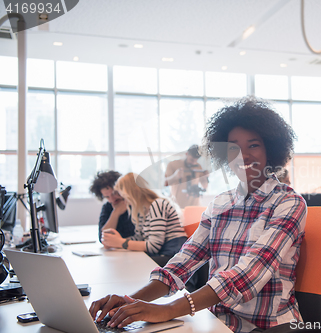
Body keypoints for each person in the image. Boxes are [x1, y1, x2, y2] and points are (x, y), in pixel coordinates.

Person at [90, 96, 307, 333]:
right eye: (233, 147)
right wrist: (130, 301)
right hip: (217, 322)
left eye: (253, 145)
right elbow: (183, 263)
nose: (242, 156)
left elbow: (247, 275)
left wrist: (168, 309)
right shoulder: (220, 203)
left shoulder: (288, 203)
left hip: (267, 326)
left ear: (271, 149)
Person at [101, 172, 187, 262]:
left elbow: (153, 246)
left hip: (174, 256)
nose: (125, 202)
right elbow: (140, 238)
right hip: (164, 254)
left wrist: (121, 243)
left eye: (125, 198)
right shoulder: (143, 211)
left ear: (132, 193)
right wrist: (113, 242)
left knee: (131, 264)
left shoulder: (157, 205)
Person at [89, 170, 135, 243]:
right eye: (107, 197)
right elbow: (103, 238)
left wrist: (119, 242)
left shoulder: (135, 204)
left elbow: (140, 237)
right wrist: (115, 213)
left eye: (114, 194)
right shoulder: (107, 207)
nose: (112, 199)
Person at [164, 144, 209, 208]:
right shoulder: (172, 164)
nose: (193, 163)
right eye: (191, 160)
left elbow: (204, 186)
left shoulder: (198, 166)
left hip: (194, 206)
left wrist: (206, 177)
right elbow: (165, 183)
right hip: (177, 206)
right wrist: (175, 176)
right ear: (186, 154)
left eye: (195, 161)